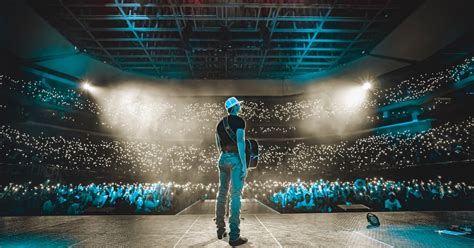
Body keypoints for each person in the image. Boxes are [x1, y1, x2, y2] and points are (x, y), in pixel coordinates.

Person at [214, 96, 248, 246]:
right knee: (235, 195)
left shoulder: (219, 124)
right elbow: (240, 142)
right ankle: (234, 236)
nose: (240, 107)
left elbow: (218, 145)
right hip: (235, 159)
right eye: (238, 105)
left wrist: (223, 158)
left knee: (222, 193)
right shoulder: (240, 121)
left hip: (222, 159)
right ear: (235, 108)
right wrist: (244, 164)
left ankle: (220, 229)